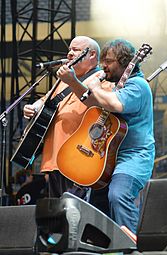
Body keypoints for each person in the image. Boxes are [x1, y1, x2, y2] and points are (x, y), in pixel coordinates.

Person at [56, 38, 155, 234]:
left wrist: (94, 85)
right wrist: (74, 82)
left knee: (118, 195)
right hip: (106, 157)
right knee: (91, 203)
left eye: (108, 61)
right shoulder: (115, 86)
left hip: (133, 157)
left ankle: (132, 246)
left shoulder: (137, 86)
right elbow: (92, 102)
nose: (103, 66)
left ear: (124, 62)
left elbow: (114, 105)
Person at [23, 36, 107, 200]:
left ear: (92, 55)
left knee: (75, 211)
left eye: (75, 50)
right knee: (58, 213)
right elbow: (46, 99)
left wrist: (73, 81)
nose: (69, 53)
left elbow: (99, 105)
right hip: (54, 157)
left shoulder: (101, 78)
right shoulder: (64, 79)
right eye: (69, 49)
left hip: (78, 155)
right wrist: (33, 107)